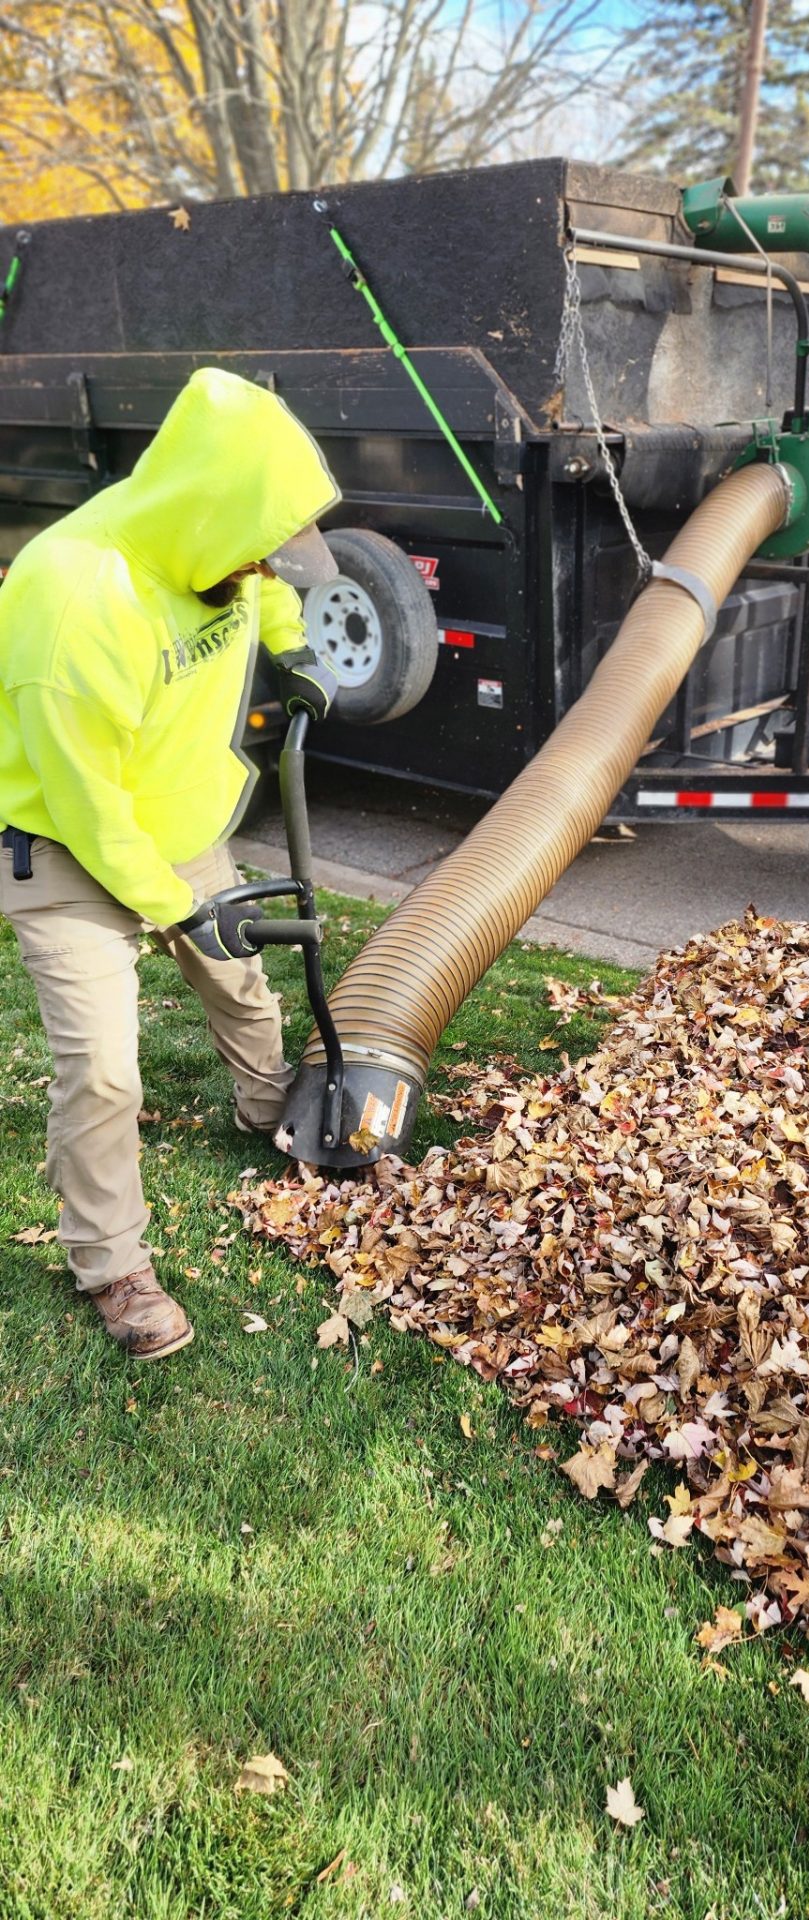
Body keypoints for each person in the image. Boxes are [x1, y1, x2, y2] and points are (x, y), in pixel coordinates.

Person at [0, 367, 342, 1359]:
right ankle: (112, 1265)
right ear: (207, 521)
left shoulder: (219, 546)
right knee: (103, 1070)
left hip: (185, 824)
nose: (262, 568)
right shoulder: (76, 596)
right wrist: (173, 909)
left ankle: (270, 1107)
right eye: (253, 549)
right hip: (65, 847)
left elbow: (267, 582)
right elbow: (85, 803)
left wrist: (296, 648)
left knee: (245, 992)